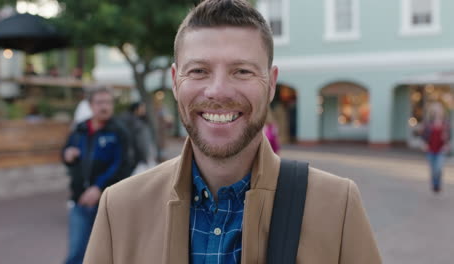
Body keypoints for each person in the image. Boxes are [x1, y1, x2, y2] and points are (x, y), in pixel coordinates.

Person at [84, 1, 381, 263]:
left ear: (272, 83)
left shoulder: (337, 205)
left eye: (242, 71)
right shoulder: (120, 209)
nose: (218, 91)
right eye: (199, 70)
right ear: (175, 82)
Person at [62, 87, 126, 264]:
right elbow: (65, 153)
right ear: (90, 105)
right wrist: (67, 155)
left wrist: (99, 188)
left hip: (109, 204)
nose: (104, 107)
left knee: (108, 255)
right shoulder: (79, 130)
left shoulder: (119, 131)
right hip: (80, 201)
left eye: (108, 102)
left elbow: (122, 165)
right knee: (76, 253)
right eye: (100, 102)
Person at [117, 101, 157, 176]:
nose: (144, 110)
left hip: (126, 160)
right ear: (136, 110)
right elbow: (143, 143)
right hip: (136, 159)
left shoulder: (122, 120)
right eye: (142, 108)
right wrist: (146, 158)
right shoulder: (138, 124)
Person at [421, 102, 451, 193]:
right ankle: (434, 185)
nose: (437, 111)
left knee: (438, 168)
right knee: (433, 169)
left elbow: (449, 135)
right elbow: (424, 135)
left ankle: (438, 184)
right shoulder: (428, 123)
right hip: (430, 149)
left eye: (438, 110)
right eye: (435, 110)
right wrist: (424, 144)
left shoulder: (445, 123)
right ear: (432, 111)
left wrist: (447, 144)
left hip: (441, 149)